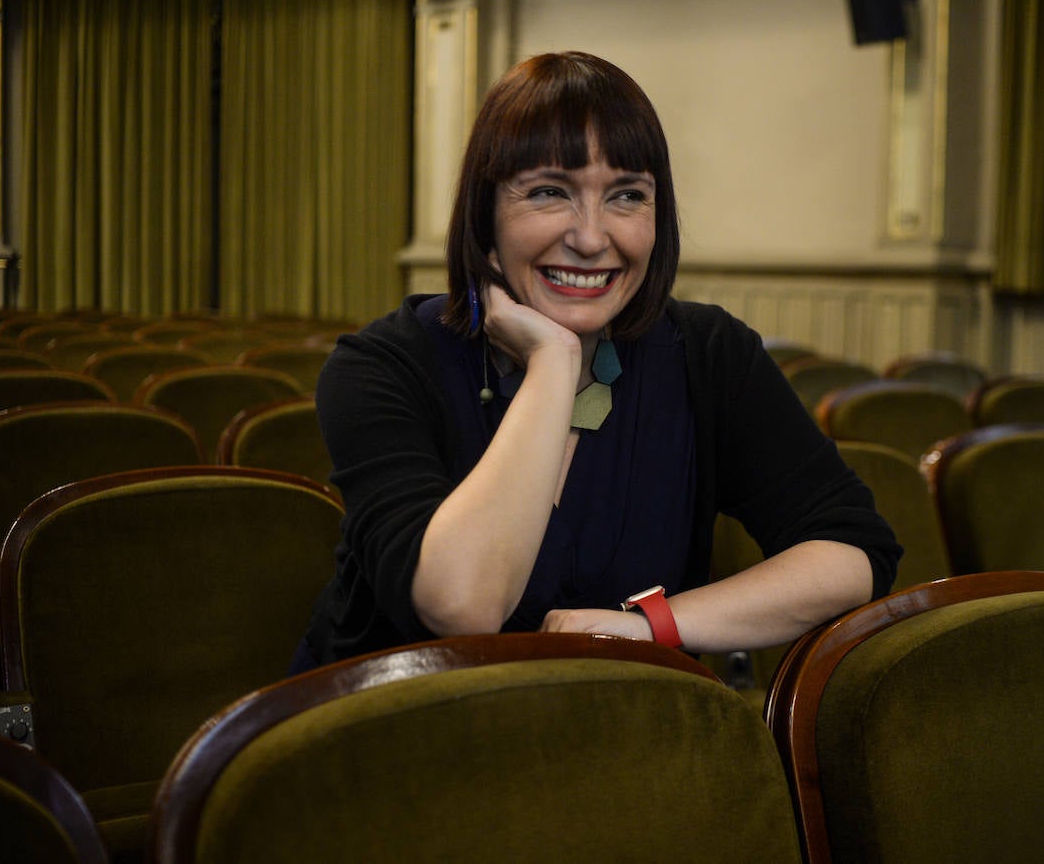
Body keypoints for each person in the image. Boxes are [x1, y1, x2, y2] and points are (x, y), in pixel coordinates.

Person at [293, 51, 900, 670]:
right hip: (393, 736)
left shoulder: (709, 355)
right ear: (485, 214)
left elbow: (851, 551)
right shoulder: (382, 365)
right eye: (550, 192)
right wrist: (553, 361)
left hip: (612, 737)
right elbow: (463, 606)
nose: (590, 237)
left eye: (626, 196)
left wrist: (649, 627)